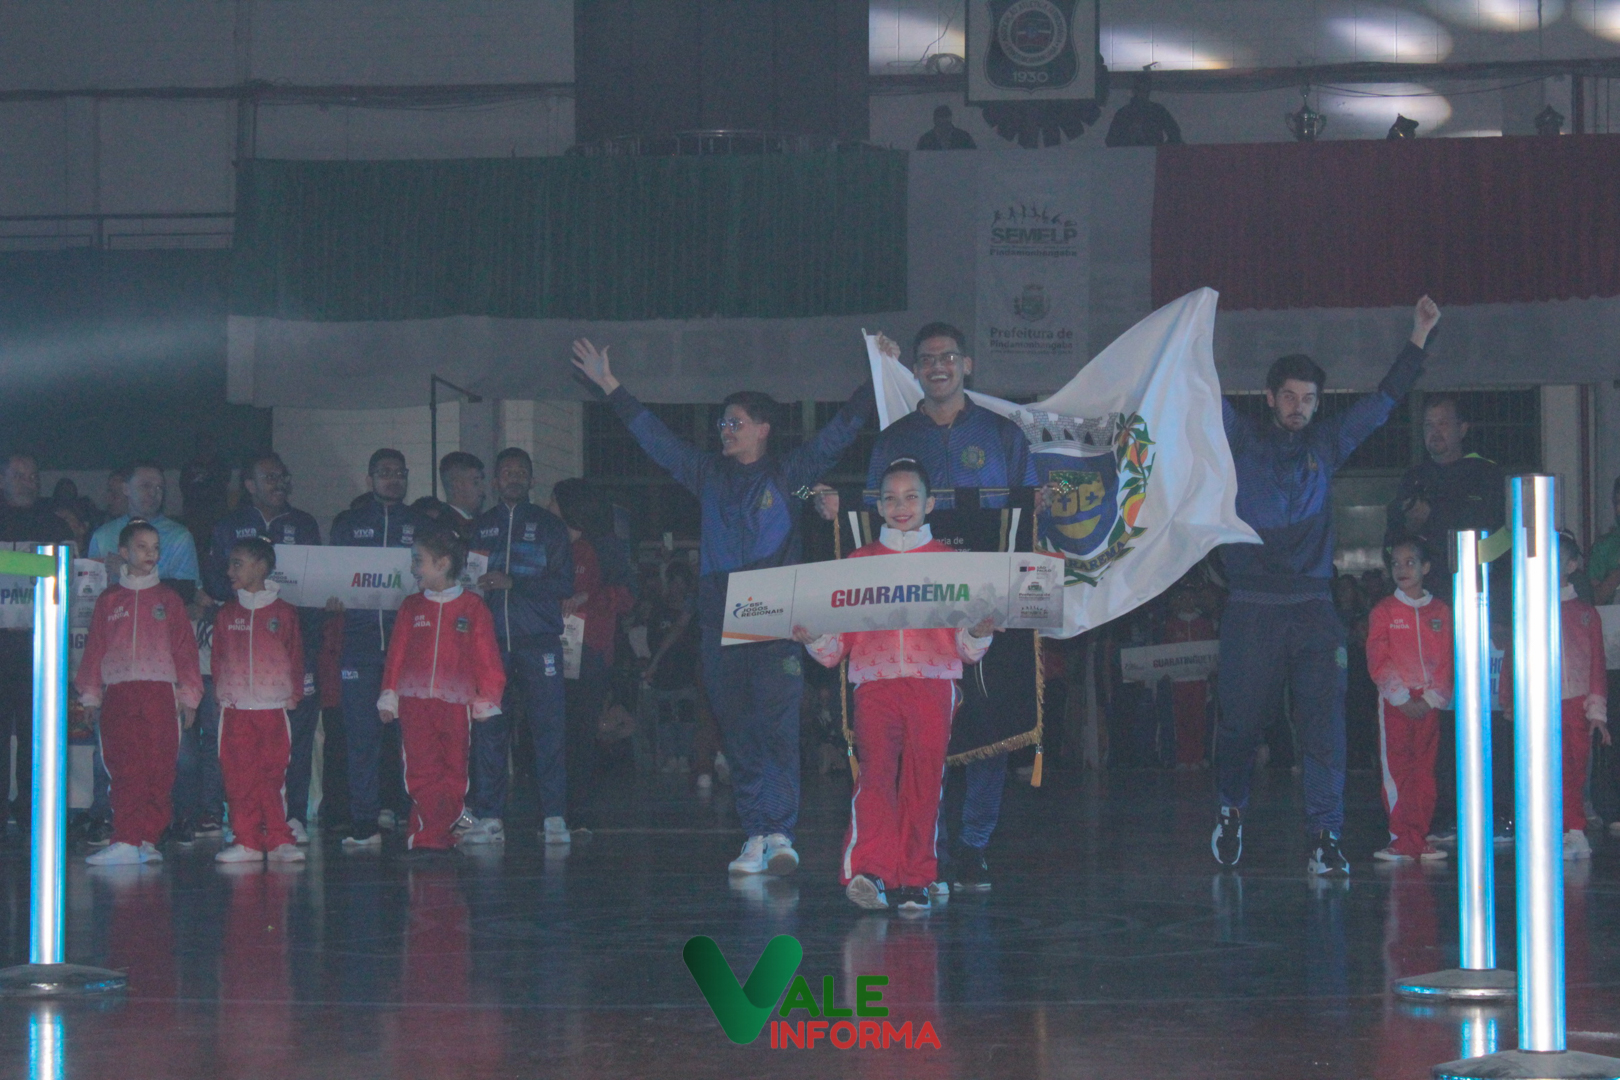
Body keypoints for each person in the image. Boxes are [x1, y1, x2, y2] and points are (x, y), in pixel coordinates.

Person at [572, 336, 873, 876]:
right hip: (721, 614)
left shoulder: (789, 475)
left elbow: (840, 432)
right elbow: (655, 438)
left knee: (777, 727)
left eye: (736, 422)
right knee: (737, 729)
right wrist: (610, 385)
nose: (725, 431)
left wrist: (878, 378)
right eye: (722, 423)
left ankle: (780, 832)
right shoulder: (706, 472)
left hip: (778, 615)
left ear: (763, 428)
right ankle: (755, 833)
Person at [1212, 296, 1441, 875]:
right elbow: (1197, 393)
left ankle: (1325, 835)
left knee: (1325, 729)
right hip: (1252, 607)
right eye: (1289, 397)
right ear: (1269, 398)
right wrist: (1181, 338)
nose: (1299, 407)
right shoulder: (1240, 440)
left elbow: (1384, 401)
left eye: (1309, 399)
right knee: (1239, 726)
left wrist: (1419, 337)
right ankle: (1231, 808)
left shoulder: (1327, 443)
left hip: (1314, 608)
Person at [865, 322, 1037, 892]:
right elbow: (868, 509)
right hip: (913, 609)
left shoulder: (1003, 434)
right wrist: (814, 501)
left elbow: (1032, 507)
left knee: (989, 718)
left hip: (984, 602)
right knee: (919, 733)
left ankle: (973, 846)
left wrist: (1051, 504)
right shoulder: (894, 440)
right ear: (915, 370)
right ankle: (926, 850)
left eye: (948, 357)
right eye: (927, 359)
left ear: (967, 365)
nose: (938, 366)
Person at [798, 459, 995, 914]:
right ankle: (870, 872)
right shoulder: (858, 563)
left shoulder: (951, 564)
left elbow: (966, 648)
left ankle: (917, 878)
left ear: (929, 503)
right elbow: (835, 647)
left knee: (925, 779)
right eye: (890, 498)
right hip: (875, 682)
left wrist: (979, 631)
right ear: (878, 506)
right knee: (875, 776)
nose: (900, 506)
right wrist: (813, 636)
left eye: (910, 497)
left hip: (934, 681)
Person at [204, 452, 324, 841]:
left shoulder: (304, 523)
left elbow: (320, 581)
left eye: (283, 476)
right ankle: (246, 821)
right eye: (269, 477)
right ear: (250, 485)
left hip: (294, 639)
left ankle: (292, 817)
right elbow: (216, 581)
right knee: (243, 745)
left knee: (294, 735)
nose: (279, 483)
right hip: (244, 647)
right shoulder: (229, 525)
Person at [75, 520, 203, 865]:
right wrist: (91, 695)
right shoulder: (109, 599)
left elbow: (185, 651)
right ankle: (126, 838)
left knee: (160, 767)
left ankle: (147, 838)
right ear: (123, 552)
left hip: (160, 693)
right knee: (124, 766)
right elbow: (95, 649)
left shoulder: (169, 600)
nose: (151, 554)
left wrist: (189, 696)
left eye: (156, 548)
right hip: (119, 693)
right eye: (142, 547)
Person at [469, 448, 575, 845]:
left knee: (548, 730)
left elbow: (564, 583)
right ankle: (489, 817)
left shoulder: (550, 527)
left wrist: (515, 583)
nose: (513, 477)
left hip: (538, 642)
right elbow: (468, 582)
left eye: (521, 472)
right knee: (490, 731)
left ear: (531, 480)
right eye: (506, 472)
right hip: (490, 645)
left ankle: (554, 816)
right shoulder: (481, 527)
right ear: (495, 481)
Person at [379, 523, 505, 852]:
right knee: (421, 770)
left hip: (456, 703)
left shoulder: (473, 607)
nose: (412, 568)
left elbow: (487, 656)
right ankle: (427, 836)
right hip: (414, 702)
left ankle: (444, 830)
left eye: (418, 560)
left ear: (443, 563)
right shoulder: (411, 606)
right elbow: (396, 653)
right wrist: (389, 693)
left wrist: (487, 697)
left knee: (455, 772)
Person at [327, 449, 428, 848]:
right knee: (361, 737)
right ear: (370, 479)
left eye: (399, 472)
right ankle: (364, 820)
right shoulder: (348, 524)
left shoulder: (422, 524)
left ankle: (412, 813)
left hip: (411, 648)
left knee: (412, 738)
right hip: (360, 645)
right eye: (384, 472)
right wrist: (331, 599)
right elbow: (331, 577)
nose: (393, 478)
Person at [210, 538, 306, 864]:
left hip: (272, 709)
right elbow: (218, 658)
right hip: (235, 710)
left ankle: (279, 839)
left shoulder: (284, 613)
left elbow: (296, 656)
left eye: (237, 564)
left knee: (273, 775)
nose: (230, 571)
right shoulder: (227, 613)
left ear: (262, 567)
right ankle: (247, 840)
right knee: (238, 777)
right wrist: (222, 696)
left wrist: (293, 694)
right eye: (230, 564)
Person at [551, 478, 635, 818]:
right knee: (553, 726)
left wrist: (589, 597)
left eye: (554, 501)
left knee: (581, 727)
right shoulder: (551, 542)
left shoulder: (605, 546)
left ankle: (577, 804)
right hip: (552, 645)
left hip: (590, 648)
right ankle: (554, 804)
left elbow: (627, 596)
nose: (549, 508)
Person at [0, 453, 75, 829]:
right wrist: (33, 564)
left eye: (33, 475)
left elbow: (64, 569)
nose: (28, 482)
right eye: (19, 475)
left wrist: (8, 562)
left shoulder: (53, 523)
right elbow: (46, 566)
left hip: (38, 643)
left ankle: (32, 812)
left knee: (36, 731)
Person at [1366, 537, 1452, 862]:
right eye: (1396, 564)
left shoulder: (1441, 611)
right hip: (1395, 704)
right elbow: (1378, 658)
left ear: (1426, 567)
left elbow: (1446, 660)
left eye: (1410, 562)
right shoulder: (1384, 611)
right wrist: (1400, 698)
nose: (1402, 569)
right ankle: (1400, 837)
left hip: (1429, 703)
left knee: (1424, 770)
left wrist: (1430, 698)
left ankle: (1419, 836)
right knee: (1398, 768)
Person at [1385, 396, 1505, 595]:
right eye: (1428, 425)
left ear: (1462, 429)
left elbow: (1493, 532)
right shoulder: (1413, 478)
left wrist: (1433, 517)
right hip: (1426, 598)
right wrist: (1409, 528)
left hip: (1477, 592)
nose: (1435, 432)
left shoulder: (1486, 474)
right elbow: (1391, 545)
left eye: (1443, 423)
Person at [1554, 532, 1610, 859]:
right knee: (1548, 768)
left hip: (1575, 704)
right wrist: (1512, 698)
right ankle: (1555, 828)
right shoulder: (1529, 609)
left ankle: (1574, 830)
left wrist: (1597, 713)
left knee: (1573, 767)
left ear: (1572, 565)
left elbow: (1597, 665)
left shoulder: (1586, 613)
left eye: (1557, 559)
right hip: (1541, 704)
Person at [89, 462, 203, 603]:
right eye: (145, 486)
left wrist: (128, 572)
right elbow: (91, 590)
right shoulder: (102, 536)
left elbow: (187, 592)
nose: (153, 493)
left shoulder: (179, 537)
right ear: (126, 489)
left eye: (159, 488)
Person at [644, 563, 699, 773]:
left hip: (686, 673)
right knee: (665, 715)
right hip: (664, 674)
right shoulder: (659, 610)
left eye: (680, 583)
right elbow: (652, 639)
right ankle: (669, 756)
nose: (676, 588)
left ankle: (684, 756)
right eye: (673, 583)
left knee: (686, 715)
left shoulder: (693, 613)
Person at [180, 432, 231, 548]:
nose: (206, 448)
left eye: (209, 444)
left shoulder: (221, 465)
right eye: (203, 445)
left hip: (216, 513)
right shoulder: (189, 466)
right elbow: (185, 488)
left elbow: (221, 487)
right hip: (195, 514)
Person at [1104, 73, 1183, 148]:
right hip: (1129, 156)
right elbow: (1111, 141)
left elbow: (1175, 135)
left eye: (1145, 89)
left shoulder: (1158, 111)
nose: (1142, 93)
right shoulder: (1123, 113)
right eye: (1139, 89)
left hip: (1152, 155)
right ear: (1134, 90)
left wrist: (1161, 149)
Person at [438, 452, 486, 544]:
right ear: (457, 485)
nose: (482, 489)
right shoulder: (441, 528)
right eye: (475, 482)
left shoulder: (483, 523)